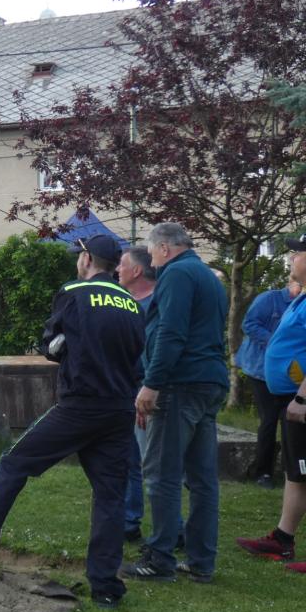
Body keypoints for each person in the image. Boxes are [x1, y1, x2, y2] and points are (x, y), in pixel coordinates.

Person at [0, 234, 145, 609]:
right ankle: (106, 586)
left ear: (86, 259)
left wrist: (65, 350)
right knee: (110, 496)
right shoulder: (133, 304)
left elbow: (51, 345)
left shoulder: (74, 292)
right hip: (118, 410)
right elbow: (136, 355)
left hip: (78, 406)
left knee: (13, 465)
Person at [121, 223, 229, 584]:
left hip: (179, 384)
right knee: (202, 479)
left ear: (165, 248)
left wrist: (152, 383)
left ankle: (160, 559)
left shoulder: (177, 274)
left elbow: (171, 331)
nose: (151, 260)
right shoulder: (208, 276)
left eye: (152, 252)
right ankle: (201, 561)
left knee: (161, 474)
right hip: (209, 382)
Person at [235, 234, 306, 574]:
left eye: (298, 253)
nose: (292, 258)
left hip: (300, 400)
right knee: (297, 473)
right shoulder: (300, 296)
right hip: (290, 397)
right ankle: (282, 539)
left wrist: (302, 397)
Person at [234, 278, 302, 488]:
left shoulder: (301, 304)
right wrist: (275, 341)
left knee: (290, 422)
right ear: (292, 282)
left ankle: (291, 473)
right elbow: (249, 324)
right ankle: (263, 473)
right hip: (260, 370)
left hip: (290, 376)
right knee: (269, 420)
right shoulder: (269, 299)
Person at [116, 245, 156, 542]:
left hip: (149, 391)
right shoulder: (125, 303)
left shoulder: (157, 305)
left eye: (122, 264)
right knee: (129, 459)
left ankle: (173, 531)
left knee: (154, 464)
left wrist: (148, 390)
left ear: (137, 270)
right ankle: (130, 522)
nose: (118, 269)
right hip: (127, 389)